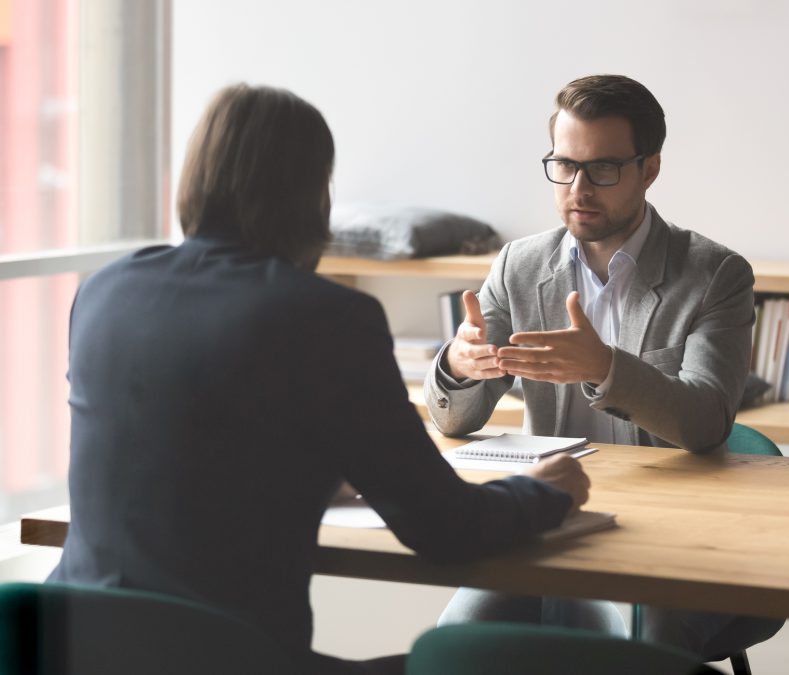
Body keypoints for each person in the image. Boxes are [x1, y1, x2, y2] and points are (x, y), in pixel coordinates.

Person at [47, 83, 591, 675]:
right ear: (311, 194)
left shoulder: (105, 290)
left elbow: (176, 443)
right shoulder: (326, 317)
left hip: (69, 646)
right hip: (229, 658)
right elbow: (445, 529)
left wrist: (302, 473)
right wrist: (546, 492)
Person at [424, 74, 783, 661]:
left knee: (637, 651)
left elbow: (706, 421)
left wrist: (605, 367)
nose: (579, 188)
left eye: (604, 169)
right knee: (454, 647)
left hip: (681, 536)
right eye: (564, 166)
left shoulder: (715, 275)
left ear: (650, 168)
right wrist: (460, 367)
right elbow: (456, 423)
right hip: (556, 522)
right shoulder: (520, 264)